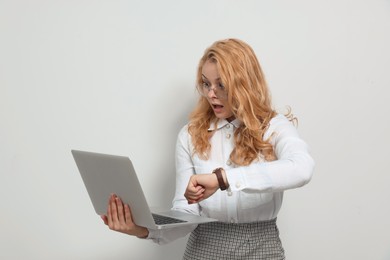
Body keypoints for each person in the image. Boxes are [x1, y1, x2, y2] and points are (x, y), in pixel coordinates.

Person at [101, 38, 315, 259]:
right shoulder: (190, 135)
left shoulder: (273, 127)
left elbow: (302, 168)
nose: (211, 93)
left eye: (221, 85)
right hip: (203, 251)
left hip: (262, 249)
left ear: (244, 84)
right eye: (206, 84)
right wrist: (141, 230)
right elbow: (186, 214)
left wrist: (222, 179)